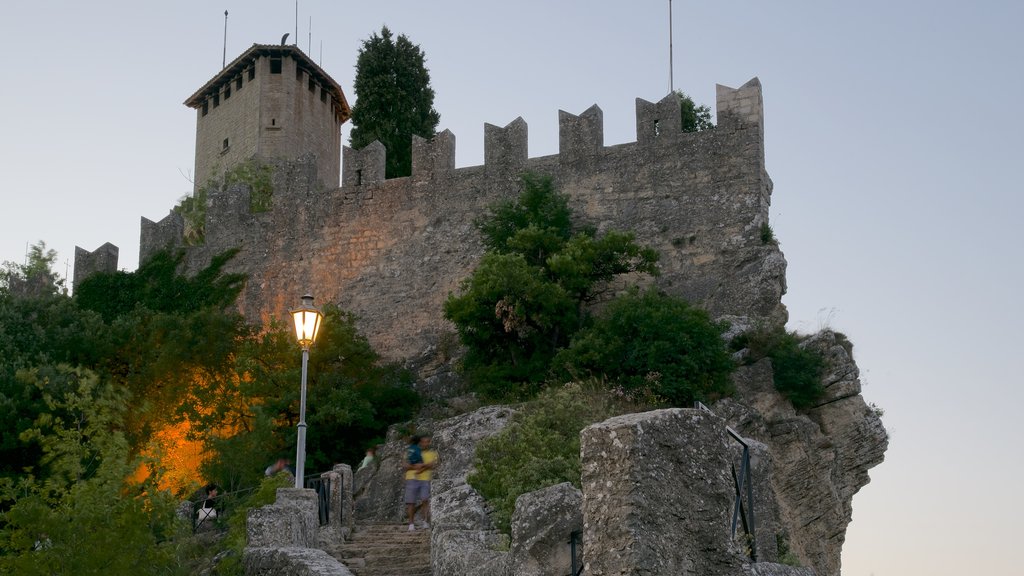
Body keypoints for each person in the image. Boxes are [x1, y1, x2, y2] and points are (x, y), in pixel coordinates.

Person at [404, 434, 438, 531]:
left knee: (425, 500)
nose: (425, 444)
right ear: (419, 442)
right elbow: (405, 465)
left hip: (425, 479)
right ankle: (411, 524)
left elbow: (434, 465)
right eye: (423, 442)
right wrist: (421, 466)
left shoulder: (433, 453)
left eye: (427, 441)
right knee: (411, 502)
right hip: (411, 478)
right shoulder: (411, 451)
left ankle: (425, 521)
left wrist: (421, 468)